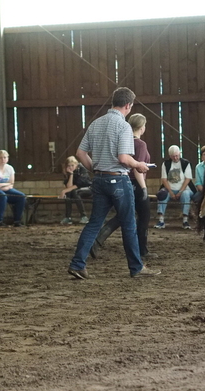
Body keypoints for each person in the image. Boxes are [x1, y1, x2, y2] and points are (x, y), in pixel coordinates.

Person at [68, 86, 160, 279]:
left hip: (100, 180)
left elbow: (80, 154)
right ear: (128, 105)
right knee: (129, 225)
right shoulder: (123, 126)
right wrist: (139, 165)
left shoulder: (96, 123)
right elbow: (123, 158)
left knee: (94, 223)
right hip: (118, 180)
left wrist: (95, 168)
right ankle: (136, 268)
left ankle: (77, 264)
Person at [90, 113, 155, 259]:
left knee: (122, 216)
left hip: (123, 181)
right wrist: (144, 188)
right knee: (144, 217)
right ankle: (142, 250)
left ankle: (98, 239)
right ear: (142, 127)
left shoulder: (124, 140)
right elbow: (137, 168)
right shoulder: (140, 144)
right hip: (136, 184)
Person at [154, 145, 194, 229]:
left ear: (180, 153)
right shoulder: (166, 164)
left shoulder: (186, 163)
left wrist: (180, 192)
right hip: (170, 188)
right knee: (162, 194)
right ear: (170, 156)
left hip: (183, 189)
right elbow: (164, 179)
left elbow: (188, 179)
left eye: (177, 155)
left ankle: (185, 220)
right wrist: (171, 192)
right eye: (173, 156)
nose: (175, 158)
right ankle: (161, 220)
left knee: (186, 194)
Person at [0, 149, 26, 227]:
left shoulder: (10, 168)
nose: (3, 159)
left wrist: (0, 185)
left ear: (7, 158)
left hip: (4, 189)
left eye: (4, 157)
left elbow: (11, 184)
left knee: (21, 196)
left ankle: (17, 221)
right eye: (1, 158)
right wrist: (5, 185)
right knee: (2, 195)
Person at [59, 156, 91, 225]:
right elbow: (69, 186)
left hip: (88, 188)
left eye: (72, 165)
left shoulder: (82, 170)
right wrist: (71, 174)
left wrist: (64, 191)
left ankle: (84, 216)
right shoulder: (68, 172)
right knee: (70, 192)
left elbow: (78, 184)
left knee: (74, 191)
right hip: (76, 190)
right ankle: (68, 217)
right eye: (69, 165)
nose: (70, 167)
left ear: (76, 165)